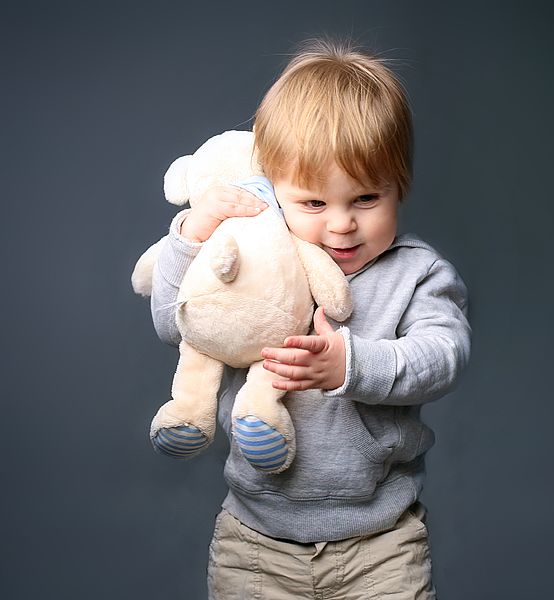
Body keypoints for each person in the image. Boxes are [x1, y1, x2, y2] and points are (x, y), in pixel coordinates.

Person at [149, 39, 471, 599]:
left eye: (367, 198)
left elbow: (444, 357)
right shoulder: (252, 257)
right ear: (272, 190)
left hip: (380, 544)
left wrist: (353, 364)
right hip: (254, 544)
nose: (342, 225)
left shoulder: (416, 273)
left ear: (401, 186)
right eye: (314, 204)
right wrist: (190, 237)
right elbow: (176, 324)